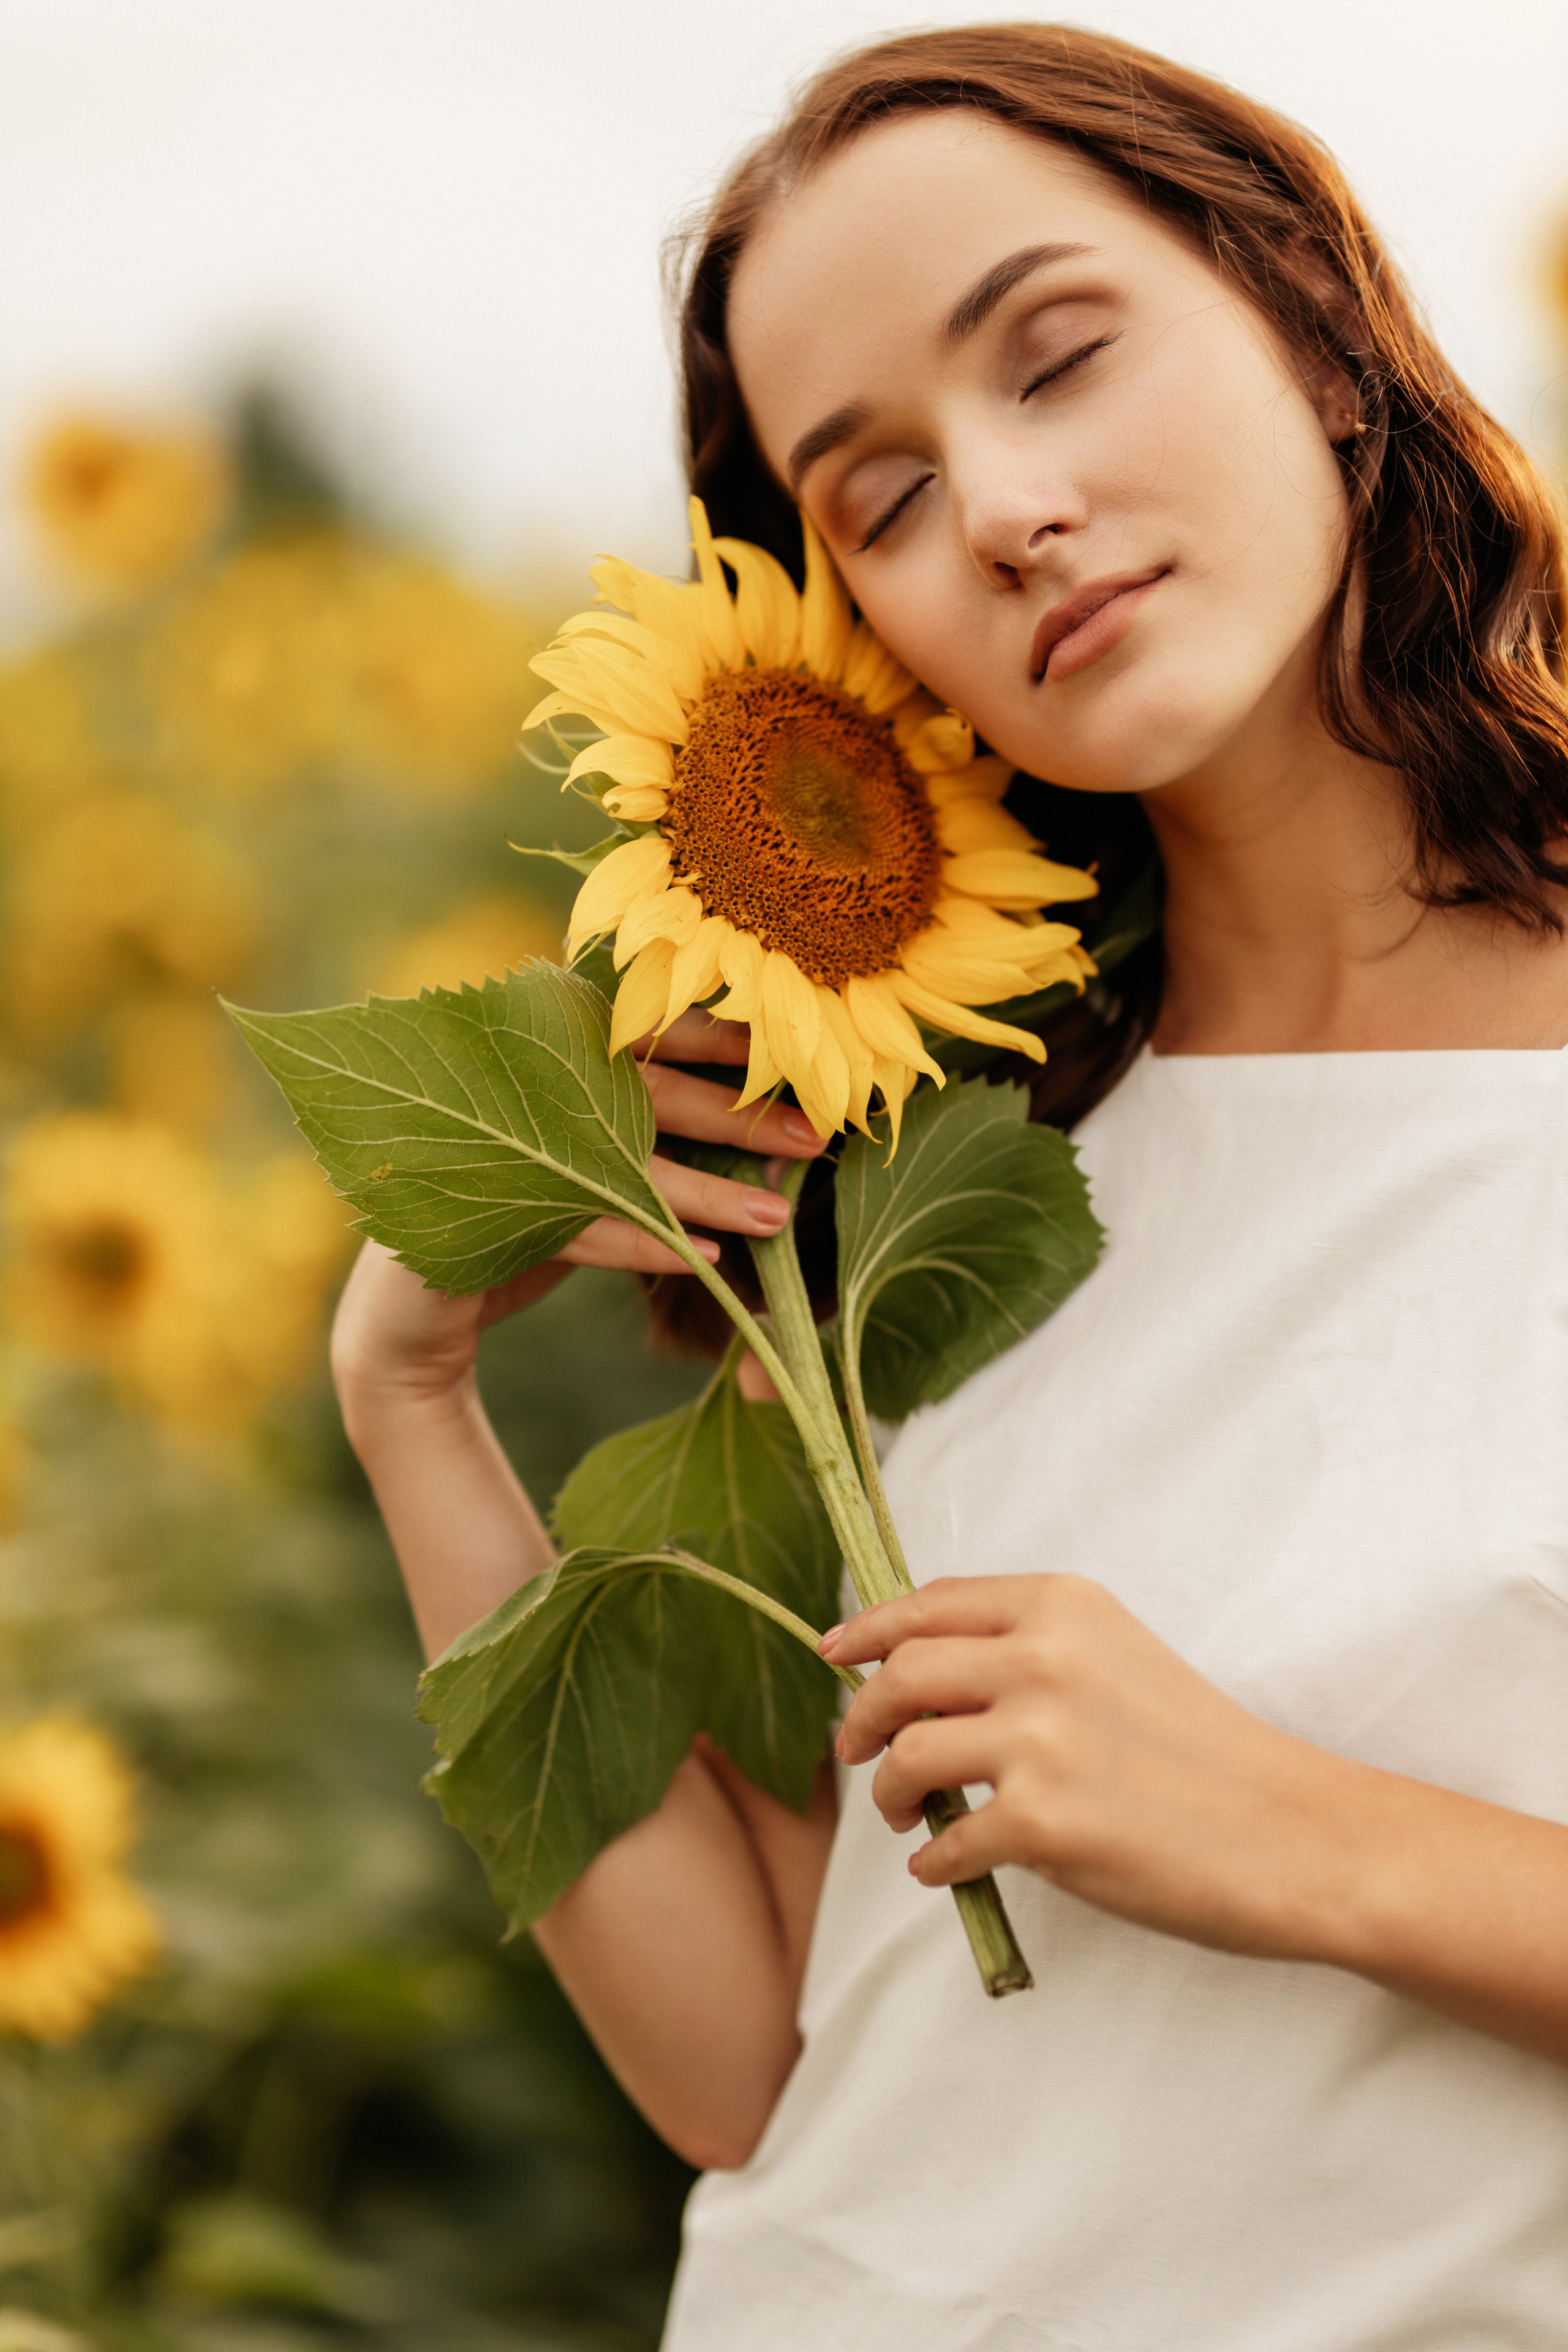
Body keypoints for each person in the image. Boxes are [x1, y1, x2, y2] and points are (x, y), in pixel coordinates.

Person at [329, 24, 1568, 2348]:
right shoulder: (934, 1168)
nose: (1001, 509)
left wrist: (1280, 1827)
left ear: (1309, 318)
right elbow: (764, 2055)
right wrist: (411, 1399)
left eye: (1060, 356)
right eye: (876, 500)